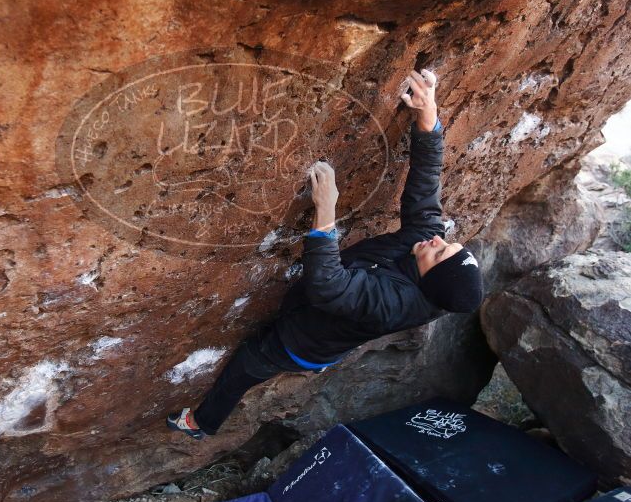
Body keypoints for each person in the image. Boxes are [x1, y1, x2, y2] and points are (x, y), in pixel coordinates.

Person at [167, 68, 484, 440]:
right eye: (448, 243)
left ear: (428, 280)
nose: (437, 240)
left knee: (248, 366)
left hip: (303, 343)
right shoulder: (427, 248)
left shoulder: (394, 304)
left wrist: (326, 209)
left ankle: (202, 424)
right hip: (327, 315)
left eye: (439, 253)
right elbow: (424, 190)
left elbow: (327, 285)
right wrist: (428, 119)